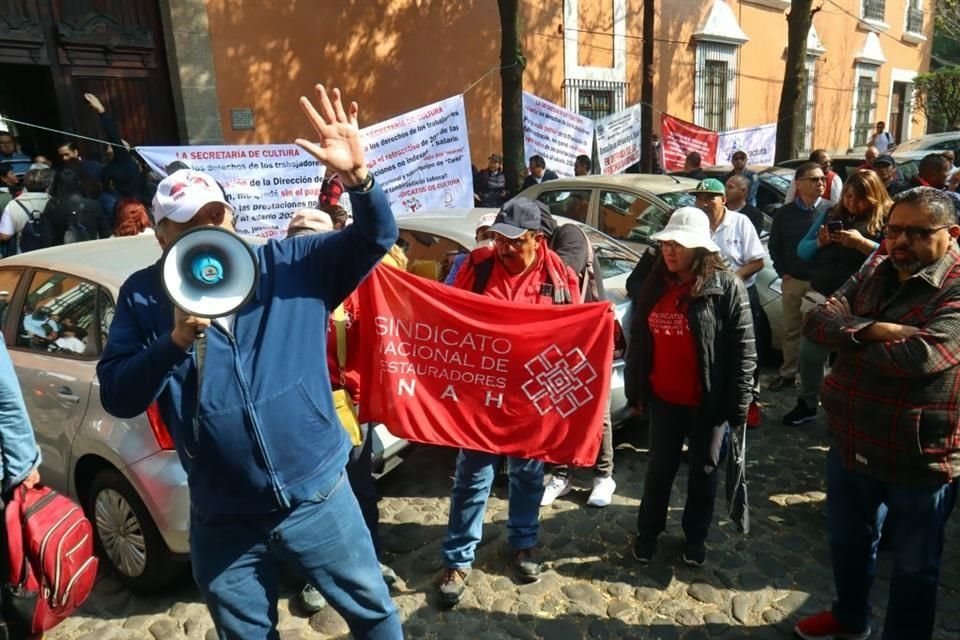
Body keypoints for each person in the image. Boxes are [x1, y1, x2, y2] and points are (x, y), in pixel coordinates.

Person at [95, 85, 403, 639]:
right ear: (161, 235)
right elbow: (119, 394)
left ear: (234, 218)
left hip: (319, 496)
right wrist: (173, 343)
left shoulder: (291, 263)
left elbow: (377, 235)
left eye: (217, 215)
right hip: (223, 514)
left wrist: (361, 181)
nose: (208, 230)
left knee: (373, 612)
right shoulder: (142, 298)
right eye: (189, 223)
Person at [794, 187, 960, 640]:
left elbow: (923, 357)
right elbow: (816, 320)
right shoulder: (877, 265)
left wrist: (846, 338)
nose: (900, 241)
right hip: (851, 441)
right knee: (848, 543)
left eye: (917, 232)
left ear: (951, 234)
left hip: (920, 456)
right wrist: (874, 330)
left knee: (914, 567)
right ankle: (850, 618)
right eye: (893, 230)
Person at [437, 198, 581, 607]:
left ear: (537, 239)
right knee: (472, 476)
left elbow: (575, 329)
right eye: (499, 238)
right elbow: (444, 309)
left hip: (531, 396)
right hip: (481, 394)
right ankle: (458, 558)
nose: (504, 247)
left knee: (528, 475)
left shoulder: (559, 275)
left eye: (514, 242)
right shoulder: (478, 265)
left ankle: (523, 542)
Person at [286, 208, 402, 615]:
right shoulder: (278, 292)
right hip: (298, 415)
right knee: (309, 500)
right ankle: (313, 575)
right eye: (299, 240)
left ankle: (369, 558)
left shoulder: (354, 284)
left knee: (360, 489)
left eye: (316, 240)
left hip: (347, 407)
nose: (307, 249)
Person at [625, 207, 755, 567]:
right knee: (658, 470)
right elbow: (639, 339)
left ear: (700, 248)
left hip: (707, 403)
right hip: (664, 399)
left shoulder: (726, 286)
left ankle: (695, 537)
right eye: (666, 243)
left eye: (679, 245)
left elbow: (744, 349)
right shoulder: (654, 282)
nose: (670, 250)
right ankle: (648, 533)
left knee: (704, 472)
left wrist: (739, 404)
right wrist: (637, 390)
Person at [782, 170, 889, 426]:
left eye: (860, 199)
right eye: (849, 196)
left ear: (874, 198)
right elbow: (803, 251)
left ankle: (845, 411)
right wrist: (820, 242)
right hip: (824, 298)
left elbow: (892, 257)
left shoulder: (887, 220)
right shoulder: (831, 214)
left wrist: (863, 244)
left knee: (850, 363)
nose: (852, 203)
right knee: (810, 354)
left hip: (862, 305)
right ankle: (808, 403)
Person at [768, 161, 827, 391]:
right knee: (791, 330)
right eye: (814, 179)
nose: (820, 183)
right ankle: (788, 373)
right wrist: (783, 273)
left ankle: (815, 381)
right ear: (799, 184)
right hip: (793, 281)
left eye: (822, 178)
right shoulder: (785, 213)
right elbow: (775, 245)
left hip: (820, 283)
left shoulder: (831, 210)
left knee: (819, 333)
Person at [41, 167, 111, 246]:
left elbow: (48, 239)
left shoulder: (53, 207)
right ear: (78, 183)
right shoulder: (94, 205)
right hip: (89, 250)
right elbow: (105, 234)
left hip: (62, 253)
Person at [0, 167, 52, 255]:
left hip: (24, 254)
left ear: (25, 184)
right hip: (51, 251)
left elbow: (5, 236)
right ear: (46, 184)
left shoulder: (13, 205)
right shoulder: (53, 202)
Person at [889, 153, 960, 216]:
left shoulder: (947, 193)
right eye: (947, 171)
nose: (949, 175)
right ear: (934, 175)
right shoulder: (906, 194)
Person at [444, 212, 497, 285]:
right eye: (484, 236)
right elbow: (449, 288)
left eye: (493, 236)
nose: (489, 240)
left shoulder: (507, 262)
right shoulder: (462, 261)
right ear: (476, 239)